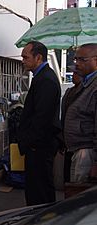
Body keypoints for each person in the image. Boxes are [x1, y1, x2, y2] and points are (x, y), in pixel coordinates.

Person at [17, 41, 61, 206]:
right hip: (38, 145)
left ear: (38, 57)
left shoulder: (46, 80)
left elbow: (42, 117)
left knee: (40, 192)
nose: (23, 60)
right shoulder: (41, 77)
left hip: (40, 146)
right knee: (37, 189)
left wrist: (31, 141)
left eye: (25, 57)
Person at [63, 43, 97, 183]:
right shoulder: (86, 83)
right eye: (75, 59)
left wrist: (96, 162)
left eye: (81, 60)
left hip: (87, 152)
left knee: (82, 198)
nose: (76, 64)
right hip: (78, 150)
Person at [60, 69, 82, 182]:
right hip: (67, 139)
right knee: (67, 175)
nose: (73, 76)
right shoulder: (69, 92)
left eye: (76, 73)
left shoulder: (86, 91)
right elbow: (64, 115)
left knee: (77, 178)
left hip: (80, 141)